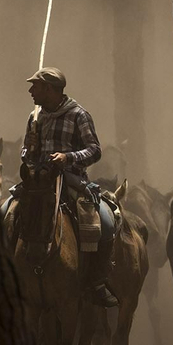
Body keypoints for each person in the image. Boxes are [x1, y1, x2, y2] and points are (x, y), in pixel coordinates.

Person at [15, 67, 118, 308]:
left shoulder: (78, 115)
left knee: (106, 220)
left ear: (49, 89)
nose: (31, 91)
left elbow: (95, 150)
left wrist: (67, 157)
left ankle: (96, 282)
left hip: (70, 179)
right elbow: (26, 156)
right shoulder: (35, 117)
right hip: (37, 182)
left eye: (35, 86)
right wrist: (28, 148)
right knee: (6, 212)